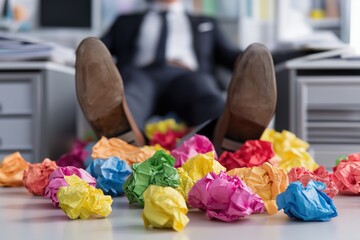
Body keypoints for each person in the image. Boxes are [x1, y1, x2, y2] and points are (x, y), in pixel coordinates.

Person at [75, 0, 310, 153]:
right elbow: (97, 57)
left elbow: (234, 57)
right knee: (132, 93)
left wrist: (298, 52)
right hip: (141, 74)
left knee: (205, 94)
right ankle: (122, 132)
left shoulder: (205, 22)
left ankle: (232, 130)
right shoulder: (126, 21)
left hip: (187, 76)